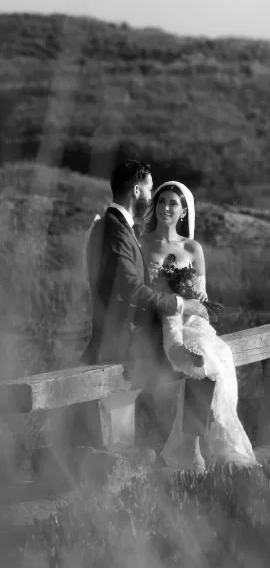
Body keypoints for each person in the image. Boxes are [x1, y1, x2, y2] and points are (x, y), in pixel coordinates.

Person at [81, 161, 210, 464]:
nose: (154, 199)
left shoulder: (119, 227)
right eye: (152, 191)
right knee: (198, 369)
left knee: (205, 362)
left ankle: (182, 448)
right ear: (137, 190)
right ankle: (172, 452)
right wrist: (180, 304)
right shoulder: (115, 230)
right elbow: (131, 290)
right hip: (126, 337)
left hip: (138, 330)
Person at [140, 180, 258, 470]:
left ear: (183, 212)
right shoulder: (142, 244)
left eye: (173, 203)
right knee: (203, 358)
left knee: (217, 356)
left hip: (193, 320)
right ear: (154, 206)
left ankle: (207, 446)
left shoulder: (193, 248)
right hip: (160, 321)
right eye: (162, 201)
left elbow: (202, 303)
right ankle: (196, 449)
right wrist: (169, 295)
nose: (166, 207)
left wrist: (196, 294)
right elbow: (140, 294)